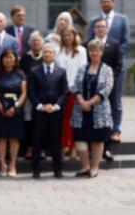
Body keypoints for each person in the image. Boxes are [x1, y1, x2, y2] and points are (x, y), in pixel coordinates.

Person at [87, 0, 130, 144]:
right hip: (94, 70)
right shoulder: (94, 20)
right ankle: (99, 128)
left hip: (116, 68)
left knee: (115, 101)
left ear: (113, 2)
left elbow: (125, 42)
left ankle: (115, 130)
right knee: (96, 98)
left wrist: (115, 54)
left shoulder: (122, 19)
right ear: (100, 3)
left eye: (108, 1)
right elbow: (88, 42)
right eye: (103, 2)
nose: (106, 4)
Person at [72, 39, 114, 178]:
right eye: (92, 50)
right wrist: (82, 102)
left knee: (97, 139)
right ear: (89, 52)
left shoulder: (107, 69)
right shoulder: (82, 68)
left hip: (99, 111)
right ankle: (85, 166)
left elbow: (106, 90)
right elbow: (76, 87)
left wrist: (89, 103)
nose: (94, 53)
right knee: (80, 139)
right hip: (80, 110)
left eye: (97, 50)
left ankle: (95, 167)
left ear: (102, 52)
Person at [28, 43, 68, 179]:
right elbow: (31, 91)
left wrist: (56, 106)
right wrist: (40, 105)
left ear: (54, 55)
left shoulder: (61, 71)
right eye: (45, 52)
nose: (47, 54)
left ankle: (57, 170)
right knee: (37, 141)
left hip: (55, 112)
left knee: (56, 142)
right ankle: (36, 170)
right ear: (42, 54)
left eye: (50, 52)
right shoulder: (34, 71)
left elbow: (64, 91)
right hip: (40, 111)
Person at [86, 18, 123, 161]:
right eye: (97, 27)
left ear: (107, 28)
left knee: (106, 119)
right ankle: (91, 150)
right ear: (94, 29)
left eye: (103, 27)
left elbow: (118, 66)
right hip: (89, 87)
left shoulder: (114, 45)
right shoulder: (87, 44)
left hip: (108, 87)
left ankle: (106, 149)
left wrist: (107, 80)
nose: (100, 29)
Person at [0, 49, 27, 177]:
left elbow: (24, 93)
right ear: (2, 60)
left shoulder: (21, 74)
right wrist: (0, 107)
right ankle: (2, 164)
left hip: (15, 109)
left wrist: (15, 107)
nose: (8, 59)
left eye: (11, 57)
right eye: (5, 57)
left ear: (15, 59)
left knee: (14, 137)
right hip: (0, 109)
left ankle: (12, 164)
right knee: (2, 137)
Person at [56, 26, 87, 160]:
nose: (67, 37)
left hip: (76, 91)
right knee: (63, 121)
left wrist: (75, 87)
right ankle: (64, 146)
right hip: (62, 91)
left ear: (74, 36)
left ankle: (74, 147)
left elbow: (82, 71)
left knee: (75, 120)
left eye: (70, 35)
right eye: (65, 35)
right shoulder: (58, 51)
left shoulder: (81, 51)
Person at [19, 31, 44, 159]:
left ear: (42, 43)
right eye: (33, 40)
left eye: (38, 40)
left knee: (41, 123)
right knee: (29, 122)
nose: (35, 43)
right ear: (29, 43)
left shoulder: (45, 57)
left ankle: (41, 149)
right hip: (28, 96)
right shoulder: (24, 59)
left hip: (43, 96)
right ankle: (29, 148)